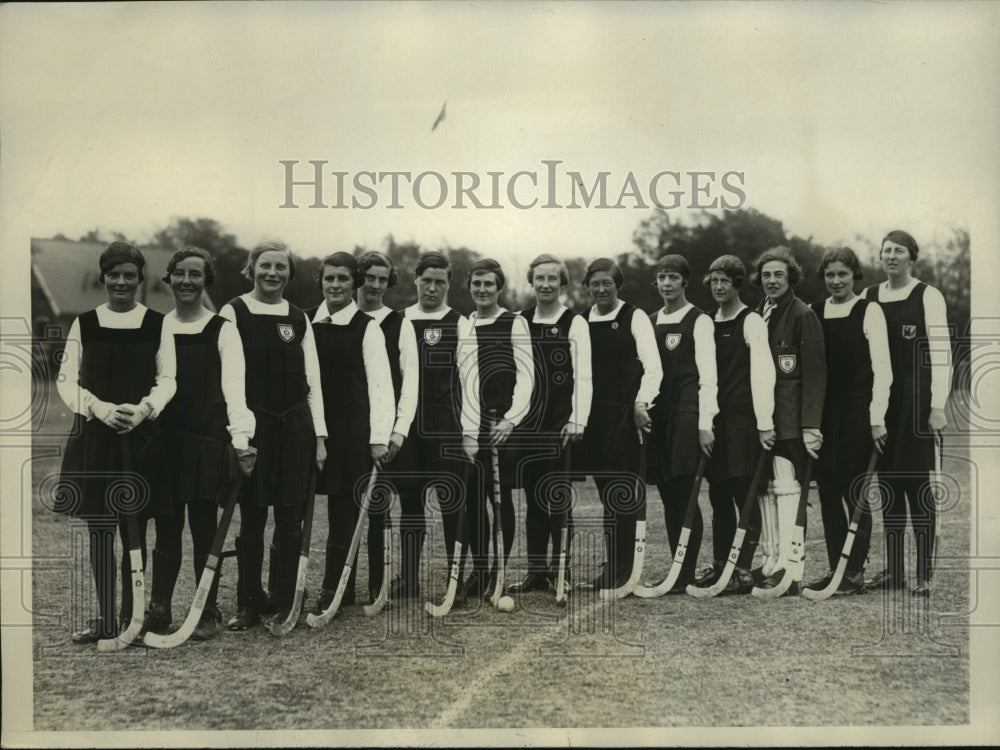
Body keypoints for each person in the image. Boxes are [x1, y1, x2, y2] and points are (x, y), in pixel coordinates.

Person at [55, 241, 176, 643]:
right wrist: (98, 408)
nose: (121, 282)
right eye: (114, 275)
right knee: (101, 531)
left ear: (140, 279)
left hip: (140, 441)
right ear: (103, 278)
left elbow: (168, 379)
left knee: (134, 531)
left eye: (129, 275)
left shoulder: (158, 323)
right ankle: (106, 620)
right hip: (95, 439)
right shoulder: (85, 323)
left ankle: (132, 619)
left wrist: (143, 410)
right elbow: (66, 380)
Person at [219, 239, 327, 630]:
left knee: (290, 518)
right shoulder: (234, 312)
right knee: (252, 517)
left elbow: (311, 381)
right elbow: (229, 380)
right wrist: (240, 438)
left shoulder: (298, 317)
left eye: (281, 267)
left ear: (290, 273)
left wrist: (319, 437)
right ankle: (248, 602)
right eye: (265, 265)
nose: (272, 273)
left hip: (295, 426)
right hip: (255, 425)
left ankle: (283, 599)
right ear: (251, 268)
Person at [155, 246, 257, 639]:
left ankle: (206, 610)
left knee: (203, 529)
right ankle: (159, 608)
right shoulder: (159, 327)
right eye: (179, 273)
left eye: (195, 274)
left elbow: (234, 388)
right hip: (166, 443)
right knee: (166, 529)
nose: (186, 281)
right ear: (169, 278)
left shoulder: (222, 329)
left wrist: (241, 440)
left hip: (206, 442)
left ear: (206, 281)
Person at [864, 230, 951, 597]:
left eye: (899, 251)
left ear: (911, 257)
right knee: (889, 490)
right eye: (886, 251)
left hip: (916, 406)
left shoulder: (928, 295)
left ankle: (924, 573)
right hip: (884, 403)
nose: (892, 257)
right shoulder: (869, 297)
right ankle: (895, 570)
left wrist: (936, 407)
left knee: (918, 492)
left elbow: (942, 354)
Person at [307, 252, 393, 613]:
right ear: (321, 281)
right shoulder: (308, 322)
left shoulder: (367, 327)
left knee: (345, 511)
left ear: (354, 283)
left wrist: (378, 439)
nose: (336, 285)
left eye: (343, 279)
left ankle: (335, 590)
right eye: (329, 278)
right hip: (316, 428)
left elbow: (380, 386)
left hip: (354, 430)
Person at [802, 247, 891, 596]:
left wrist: (877, 418)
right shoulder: (815, 311)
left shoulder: (870, 311)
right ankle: (837, 568)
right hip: (825, 415)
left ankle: (854, 572)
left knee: (854, 493)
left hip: (858, 413)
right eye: (830, 275)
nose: (836, 281)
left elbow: (882, 369)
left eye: (843, 274)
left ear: (855, 276)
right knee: (827, 492)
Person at [393, 252, 478, 601]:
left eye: (440, 282)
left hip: (445, 423)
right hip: (409, 423)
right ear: (415, 279)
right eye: (426, 280)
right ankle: (408, 579)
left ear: (448, 284)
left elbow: (471, 383)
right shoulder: (399, 320)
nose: (432, 288)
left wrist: (469, 432)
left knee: (450, 502)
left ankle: (455, 580)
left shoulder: (459, 322)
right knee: (410, 503)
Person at [508, 254, 592, 596]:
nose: (545, 284)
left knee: (557, 499)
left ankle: (562, 571)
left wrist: (577, 419)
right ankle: (536, 572)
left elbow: (583, 375)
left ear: (562, 283)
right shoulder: (520, 320)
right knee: (532, 498)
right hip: (530, 421)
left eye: (552, 279)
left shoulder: (575, 322)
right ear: (531, 281)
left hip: (560, 422)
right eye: (539, 278)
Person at [579, 257, 662, 591]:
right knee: (606, 496)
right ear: (587, 287)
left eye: (607, 284)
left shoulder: (634, 316)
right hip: (594, 418)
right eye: (595, 284)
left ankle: (625, 568)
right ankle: (613, 564)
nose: (601, 289)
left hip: (624, 417)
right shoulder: (582, 321)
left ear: (618, 286)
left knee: (623, 495)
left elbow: (653, 367)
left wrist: (642, 403)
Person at [751, 246, 826, 595]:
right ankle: (772, 560)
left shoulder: (801, 314)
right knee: (767, 490)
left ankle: (791, 569)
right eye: (766, 275)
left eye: (778, 274)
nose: (772, 280)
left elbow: (814, 374)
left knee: (787, 489)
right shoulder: (759, 312)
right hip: (764, 419)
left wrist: (810, 425)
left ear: (790, 277)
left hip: (792, 422)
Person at [701, 255, 775, 595]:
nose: (718, 287)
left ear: (736, 284)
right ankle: (721, 566)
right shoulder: (706, 322)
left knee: (744, 495)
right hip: (715, 422)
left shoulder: (752, 321)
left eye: (725, 282)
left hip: (744, 422)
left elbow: (763, 374)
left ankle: (743, 565)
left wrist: (764, 423)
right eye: (714, 281)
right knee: (718, 495)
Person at [461, 258, 534, 601]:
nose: (482, 290)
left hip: (503, 424)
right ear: (469, 287)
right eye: (477, 284)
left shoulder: (514, 322)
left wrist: (511, 419)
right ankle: (481, 570)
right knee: (473, 500)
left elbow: (527, 376)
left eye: (488, 284)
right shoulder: (465, 324)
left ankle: (501, 571)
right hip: (471, 424)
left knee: (499, 497)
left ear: (499, 287)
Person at [647, 254, 718, 592]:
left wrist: (705, 422)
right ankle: (677, 569)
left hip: (686, 414)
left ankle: (685, 572)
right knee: (667, 495)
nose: (666, 284)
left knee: (684, 494)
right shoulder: (649, 320)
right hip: (659, 416)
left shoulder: (699, 320)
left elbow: (709, 377)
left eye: (672, 277)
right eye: (661, 277)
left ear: (685, 281)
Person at [355, 251, 419, 602]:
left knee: (394, 506)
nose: (376, 286)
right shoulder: (341, 318)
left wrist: (398, 430)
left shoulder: (399, 322)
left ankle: (391, 583)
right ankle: (345, 586)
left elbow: (410, 383)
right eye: (369, 277)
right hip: (353, 431)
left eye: (382, 279)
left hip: (391, 433)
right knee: (352, 508)